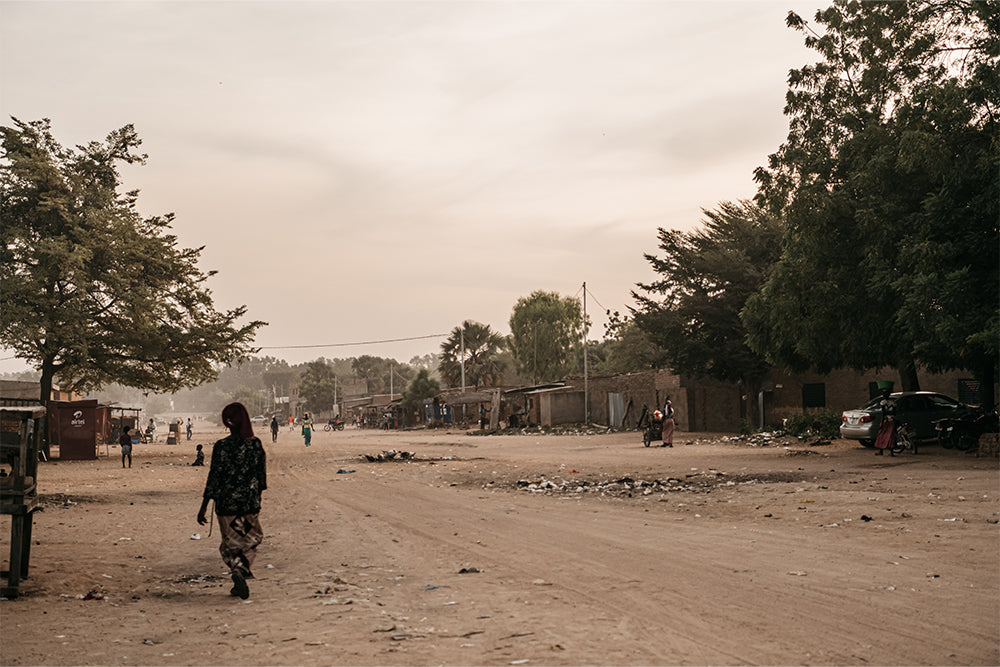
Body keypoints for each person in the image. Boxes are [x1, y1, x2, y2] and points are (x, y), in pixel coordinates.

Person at [197, 403, 267, 600]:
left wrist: (203, 507)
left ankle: (237, 570)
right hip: (249, 504)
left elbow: (214, 477)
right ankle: (241, 570)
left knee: (230, 543)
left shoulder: (222, 446)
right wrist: (257, 498)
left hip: (226, 504)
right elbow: (261, 477)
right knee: (251, 538)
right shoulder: (255, 445)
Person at [874, 388, 897, 456]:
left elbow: (883, 413)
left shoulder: (883, 402)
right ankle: (891, 452)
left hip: (886, 420)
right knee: (891, 436)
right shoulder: (893, 402)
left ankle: (881, 451)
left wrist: (882, 420)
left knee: (881, 435)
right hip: (892, 420)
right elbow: (895, 412)